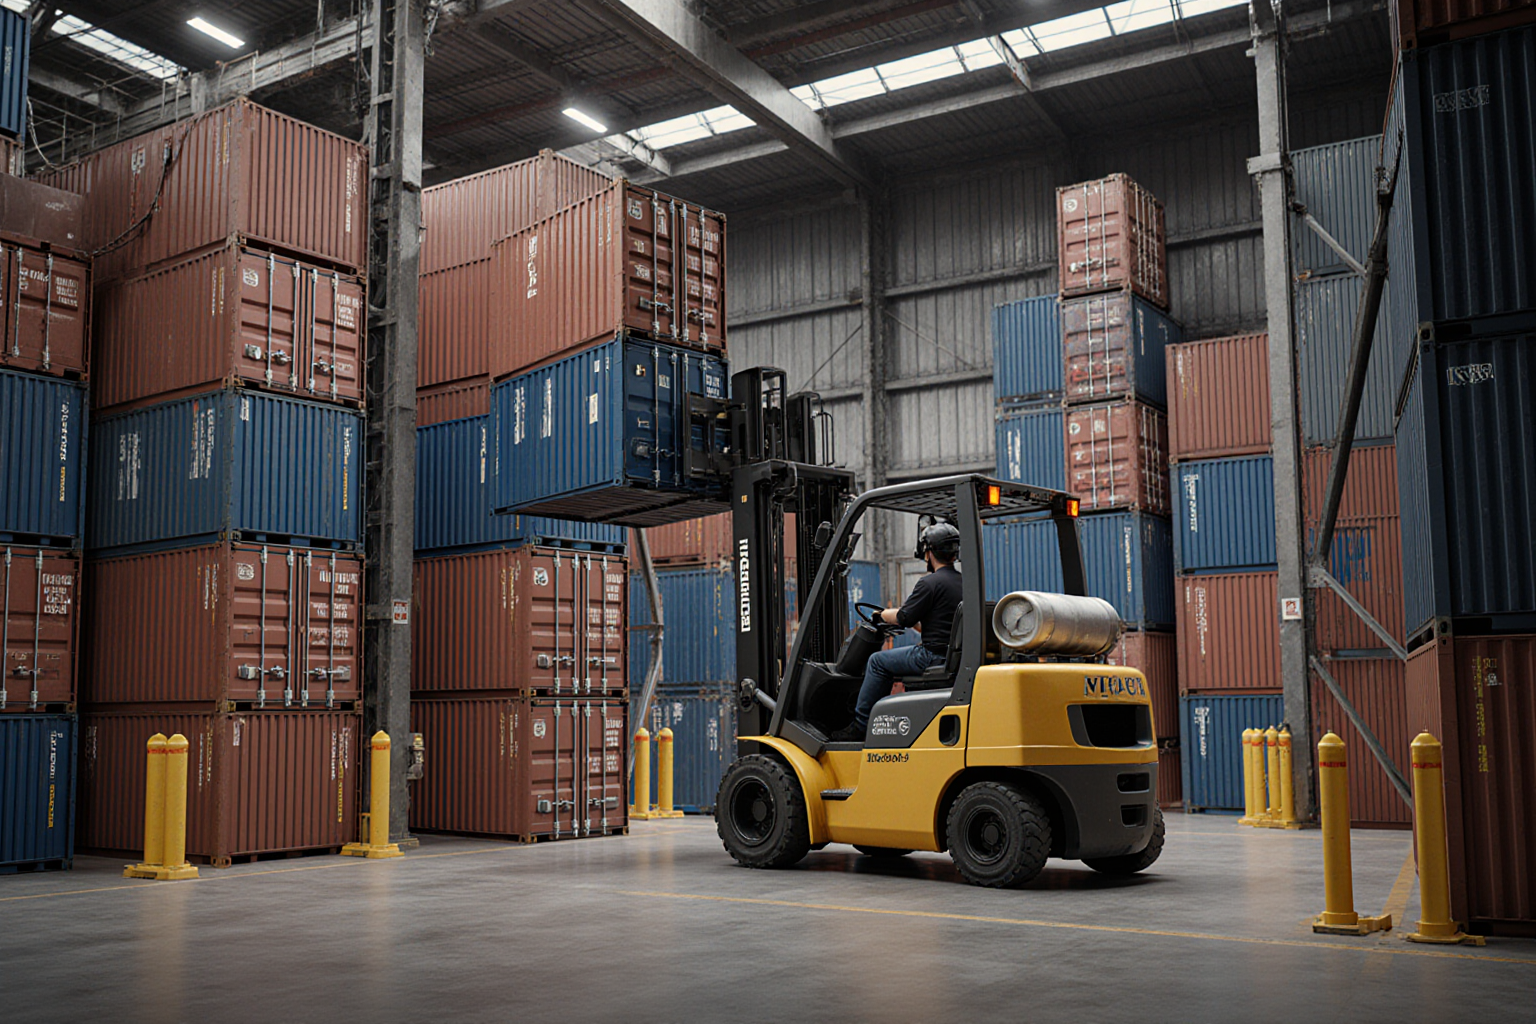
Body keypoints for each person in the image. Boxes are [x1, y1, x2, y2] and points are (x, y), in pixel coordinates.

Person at [829, 522, 963, 743]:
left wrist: (881, 615)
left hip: (932, 656)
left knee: (877, 662)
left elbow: (903, 617)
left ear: (928, 552)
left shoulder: (929, 583)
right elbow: (930, 623)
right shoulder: (963, 583)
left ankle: (860, 727)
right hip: (950, 655)